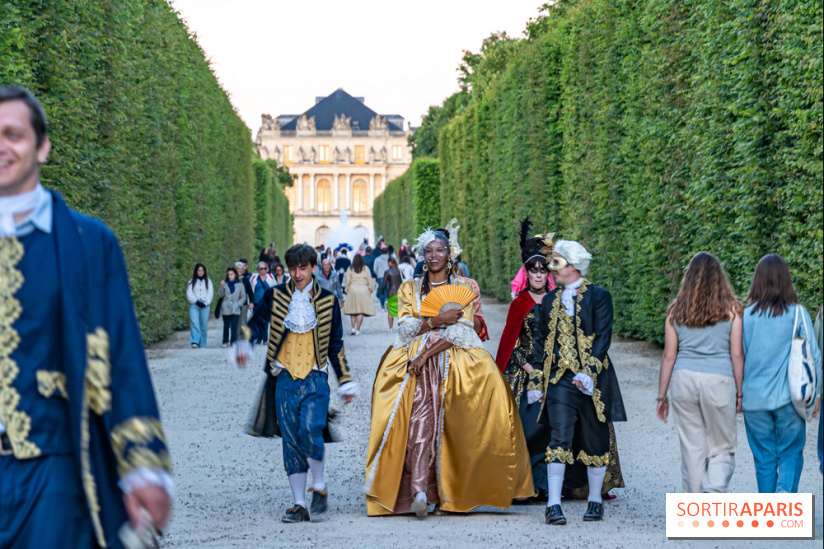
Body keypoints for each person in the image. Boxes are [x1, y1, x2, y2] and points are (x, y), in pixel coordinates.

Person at [0, 83, 171, 547]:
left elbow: (122, 356)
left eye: (13, 134)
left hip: (52, 471)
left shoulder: (91, 242)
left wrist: (143, 465)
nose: (1, 146)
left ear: (42, 147)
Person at [365, 222, 534, 518]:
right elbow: (405, 330)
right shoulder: (408, 288)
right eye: (429, 250)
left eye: (440, 250)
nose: (434, 255)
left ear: (449, 254)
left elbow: (462, 331)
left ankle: (451, 491)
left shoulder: (464, 288)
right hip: (414, 360)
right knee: (417, 421)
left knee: (458, 424)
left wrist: (426, 348)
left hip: (454, 359)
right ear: (422, 255)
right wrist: (436, 320)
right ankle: (419, 490)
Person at [236, 244, 358, 523]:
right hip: (284, 379)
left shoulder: (328, 301)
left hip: (315, 377)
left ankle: (319, 485)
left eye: (303, 268)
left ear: (314, 268)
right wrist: (244, 340)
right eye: (293, 268)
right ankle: (299, 504)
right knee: (290, 439)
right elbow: (257, 322)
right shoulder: (276, 295)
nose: (298, 274)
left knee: (310, 428)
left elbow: (336, 344)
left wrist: (345, 380)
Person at [525, 240, 626, 525]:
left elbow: (603, 338)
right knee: (559, 437)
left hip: (593, 381)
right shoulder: (549, 301)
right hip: (560, 379)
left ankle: (594, 500)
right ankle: (553, 505)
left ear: (574, 266)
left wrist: (589, 372)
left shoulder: (599, 296)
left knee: (595, 438)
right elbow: (541, 344)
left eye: (557, 262)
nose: (551, 269)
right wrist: (536, 381)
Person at [655, 252, 744, 493]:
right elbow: (737, 354)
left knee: (692, 449)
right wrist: (739, 392)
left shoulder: (676, 311)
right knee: (722, 446)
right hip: (719, 381)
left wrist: (662, 397)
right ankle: (712, 494)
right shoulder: (733, 310)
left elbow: (669, 356)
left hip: (684, 381)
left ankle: (693, 506)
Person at [741, 254, 821, 493]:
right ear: (786, 280)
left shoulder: (745, 315)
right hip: (789, 399)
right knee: (790, 452)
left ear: (757, 280)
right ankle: (784, 495)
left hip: (754, 399)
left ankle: (771, 510)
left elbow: (739, 355)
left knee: (764, 460)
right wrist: (816, 394)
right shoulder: (798, 313)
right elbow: (814, 355)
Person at [342, 253, 375, 335]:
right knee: (360, 311)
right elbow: (369, 280)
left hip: (353, 289)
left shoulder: (350, 268)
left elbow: (347, 280)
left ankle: (353, 328)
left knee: (353, 310)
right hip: (363, 289)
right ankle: (358, 330)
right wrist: (370, 290)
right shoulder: (366, 269)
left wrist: (346, 290)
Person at [218, 266, 247, 347]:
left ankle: (233, 341)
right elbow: (220, 295)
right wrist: (222, 287)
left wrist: (238, 304)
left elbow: (243, 297)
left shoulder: (240, 285)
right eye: (228, 274)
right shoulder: (225, 284)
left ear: (235, 275)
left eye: (231, 274)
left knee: (234, 325)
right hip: (226, 307)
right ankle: (225, 341)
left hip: (235, 307)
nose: (230, 276)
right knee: (226, 325)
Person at [186, 262, 213, 349]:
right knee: (194, 323)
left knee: (203, 325)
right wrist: (196, 301)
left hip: (205, 306)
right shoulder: (191, 282)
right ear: (196, 271)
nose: (200, 272)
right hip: (194, 305)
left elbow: (210, 293)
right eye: (199, 270)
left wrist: (205, 303)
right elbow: (189, 293)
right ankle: (194, 341)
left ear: (204, 271)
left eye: (202, 270)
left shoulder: (208, 281)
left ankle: (202, 344)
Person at [380, 257, 403, 332]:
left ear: (390, 262)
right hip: (399, 293)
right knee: (399, 311)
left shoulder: (387, 272)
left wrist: (382, 292)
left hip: (391, 294)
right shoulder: (399, 271)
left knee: (390, 312)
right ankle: (400, 327)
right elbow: (401, 282)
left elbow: (384, 284)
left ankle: (391, 328)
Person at [236, 259, 253, 330]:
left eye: (241, 269)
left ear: (243, 270)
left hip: (243, 304)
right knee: (235, 322)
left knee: (243, 322)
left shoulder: (246, 280)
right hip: (234, 304)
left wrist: (251, 302)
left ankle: (242, 336)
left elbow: (250, 292)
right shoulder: (231, 278)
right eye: (238, 269)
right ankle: (235, 336)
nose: (240, 270)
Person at [373, 246, 390, 310]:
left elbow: (375, 269)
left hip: (381, 276)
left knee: (382, 291)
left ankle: (383, 304)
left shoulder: (377, 259)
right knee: (388, 290)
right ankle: (388, 303)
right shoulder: (390, 258)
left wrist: (378, 274)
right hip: (389, 276)